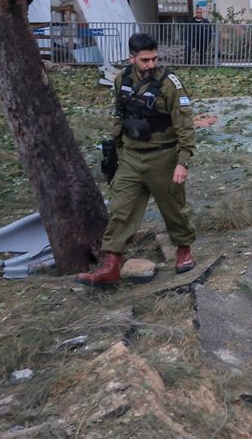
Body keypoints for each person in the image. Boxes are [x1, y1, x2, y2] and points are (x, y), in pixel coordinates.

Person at [77, 33, 197, 287]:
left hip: (162, 157)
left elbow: (184, 124)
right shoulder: (122, 79)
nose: (151, 64)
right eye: (145, 60)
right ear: (132, 58)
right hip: (130, 157)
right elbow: (120, 115)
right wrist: (116, 150)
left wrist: (182, 161)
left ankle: (183, 250)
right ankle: (110, 265)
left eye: (154, 58)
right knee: (120, 209)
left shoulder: (169, 84)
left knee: (174, 209)